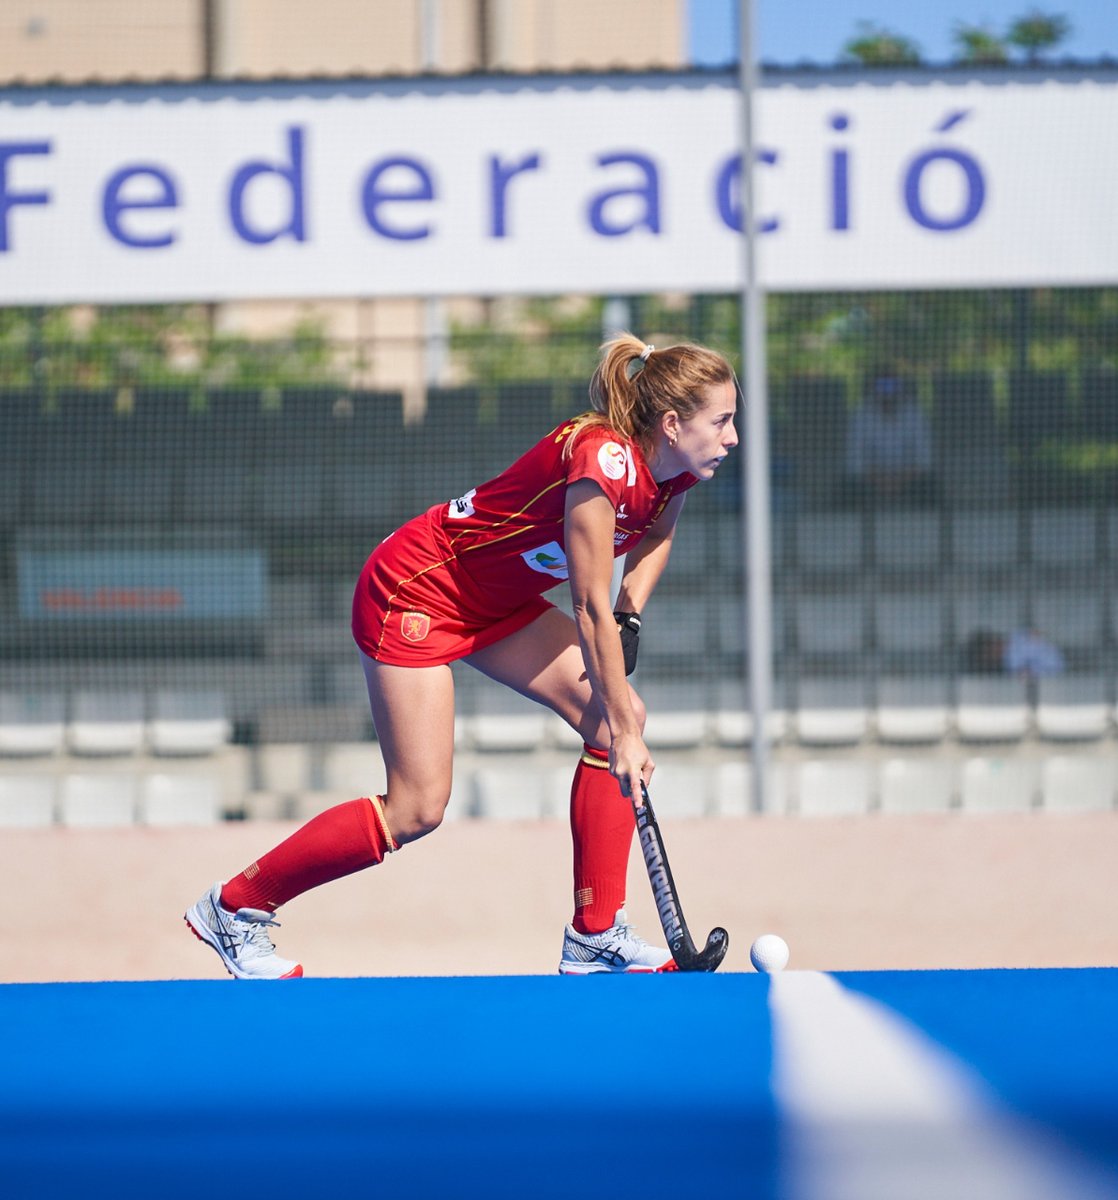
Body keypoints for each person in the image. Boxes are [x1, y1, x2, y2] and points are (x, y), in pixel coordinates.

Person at [185, 333, 739, 978]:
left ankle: (595, 936)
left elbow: (651, 538)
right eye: (721, 422)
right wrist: (617, 709)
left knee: (620, 716)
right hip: (417, 588)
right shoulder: (601, 462)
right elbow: (587, 604)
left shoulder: (673, 470)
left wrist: (631, 613)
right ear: (672, 424)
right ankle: (234, 908)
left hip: (494, 599)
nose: (731, 439)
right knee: (418, 807)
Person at [837, 369, 938, 508]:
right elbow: (854, 460)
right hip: (869, 481)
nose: (887, 391)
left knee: (930, 488)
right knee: (848, 490)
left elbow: (925, 458)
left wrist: (901, 479)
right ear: (873, 388)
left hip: (910, 479)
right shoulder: (860, 415)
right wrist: (879, 480)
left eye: (891, 385)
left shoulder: (915, 414)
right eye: (882, 385)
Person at [963, 628, 1066, 679]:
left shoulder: (1017, 635)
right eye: (990, 651)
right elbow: (1026, 676)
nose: (995, 647)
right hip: (1057, 673)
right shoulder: (1011, 664)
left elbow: (1039, 635)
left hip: (1058, 654)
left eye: (992, 643)